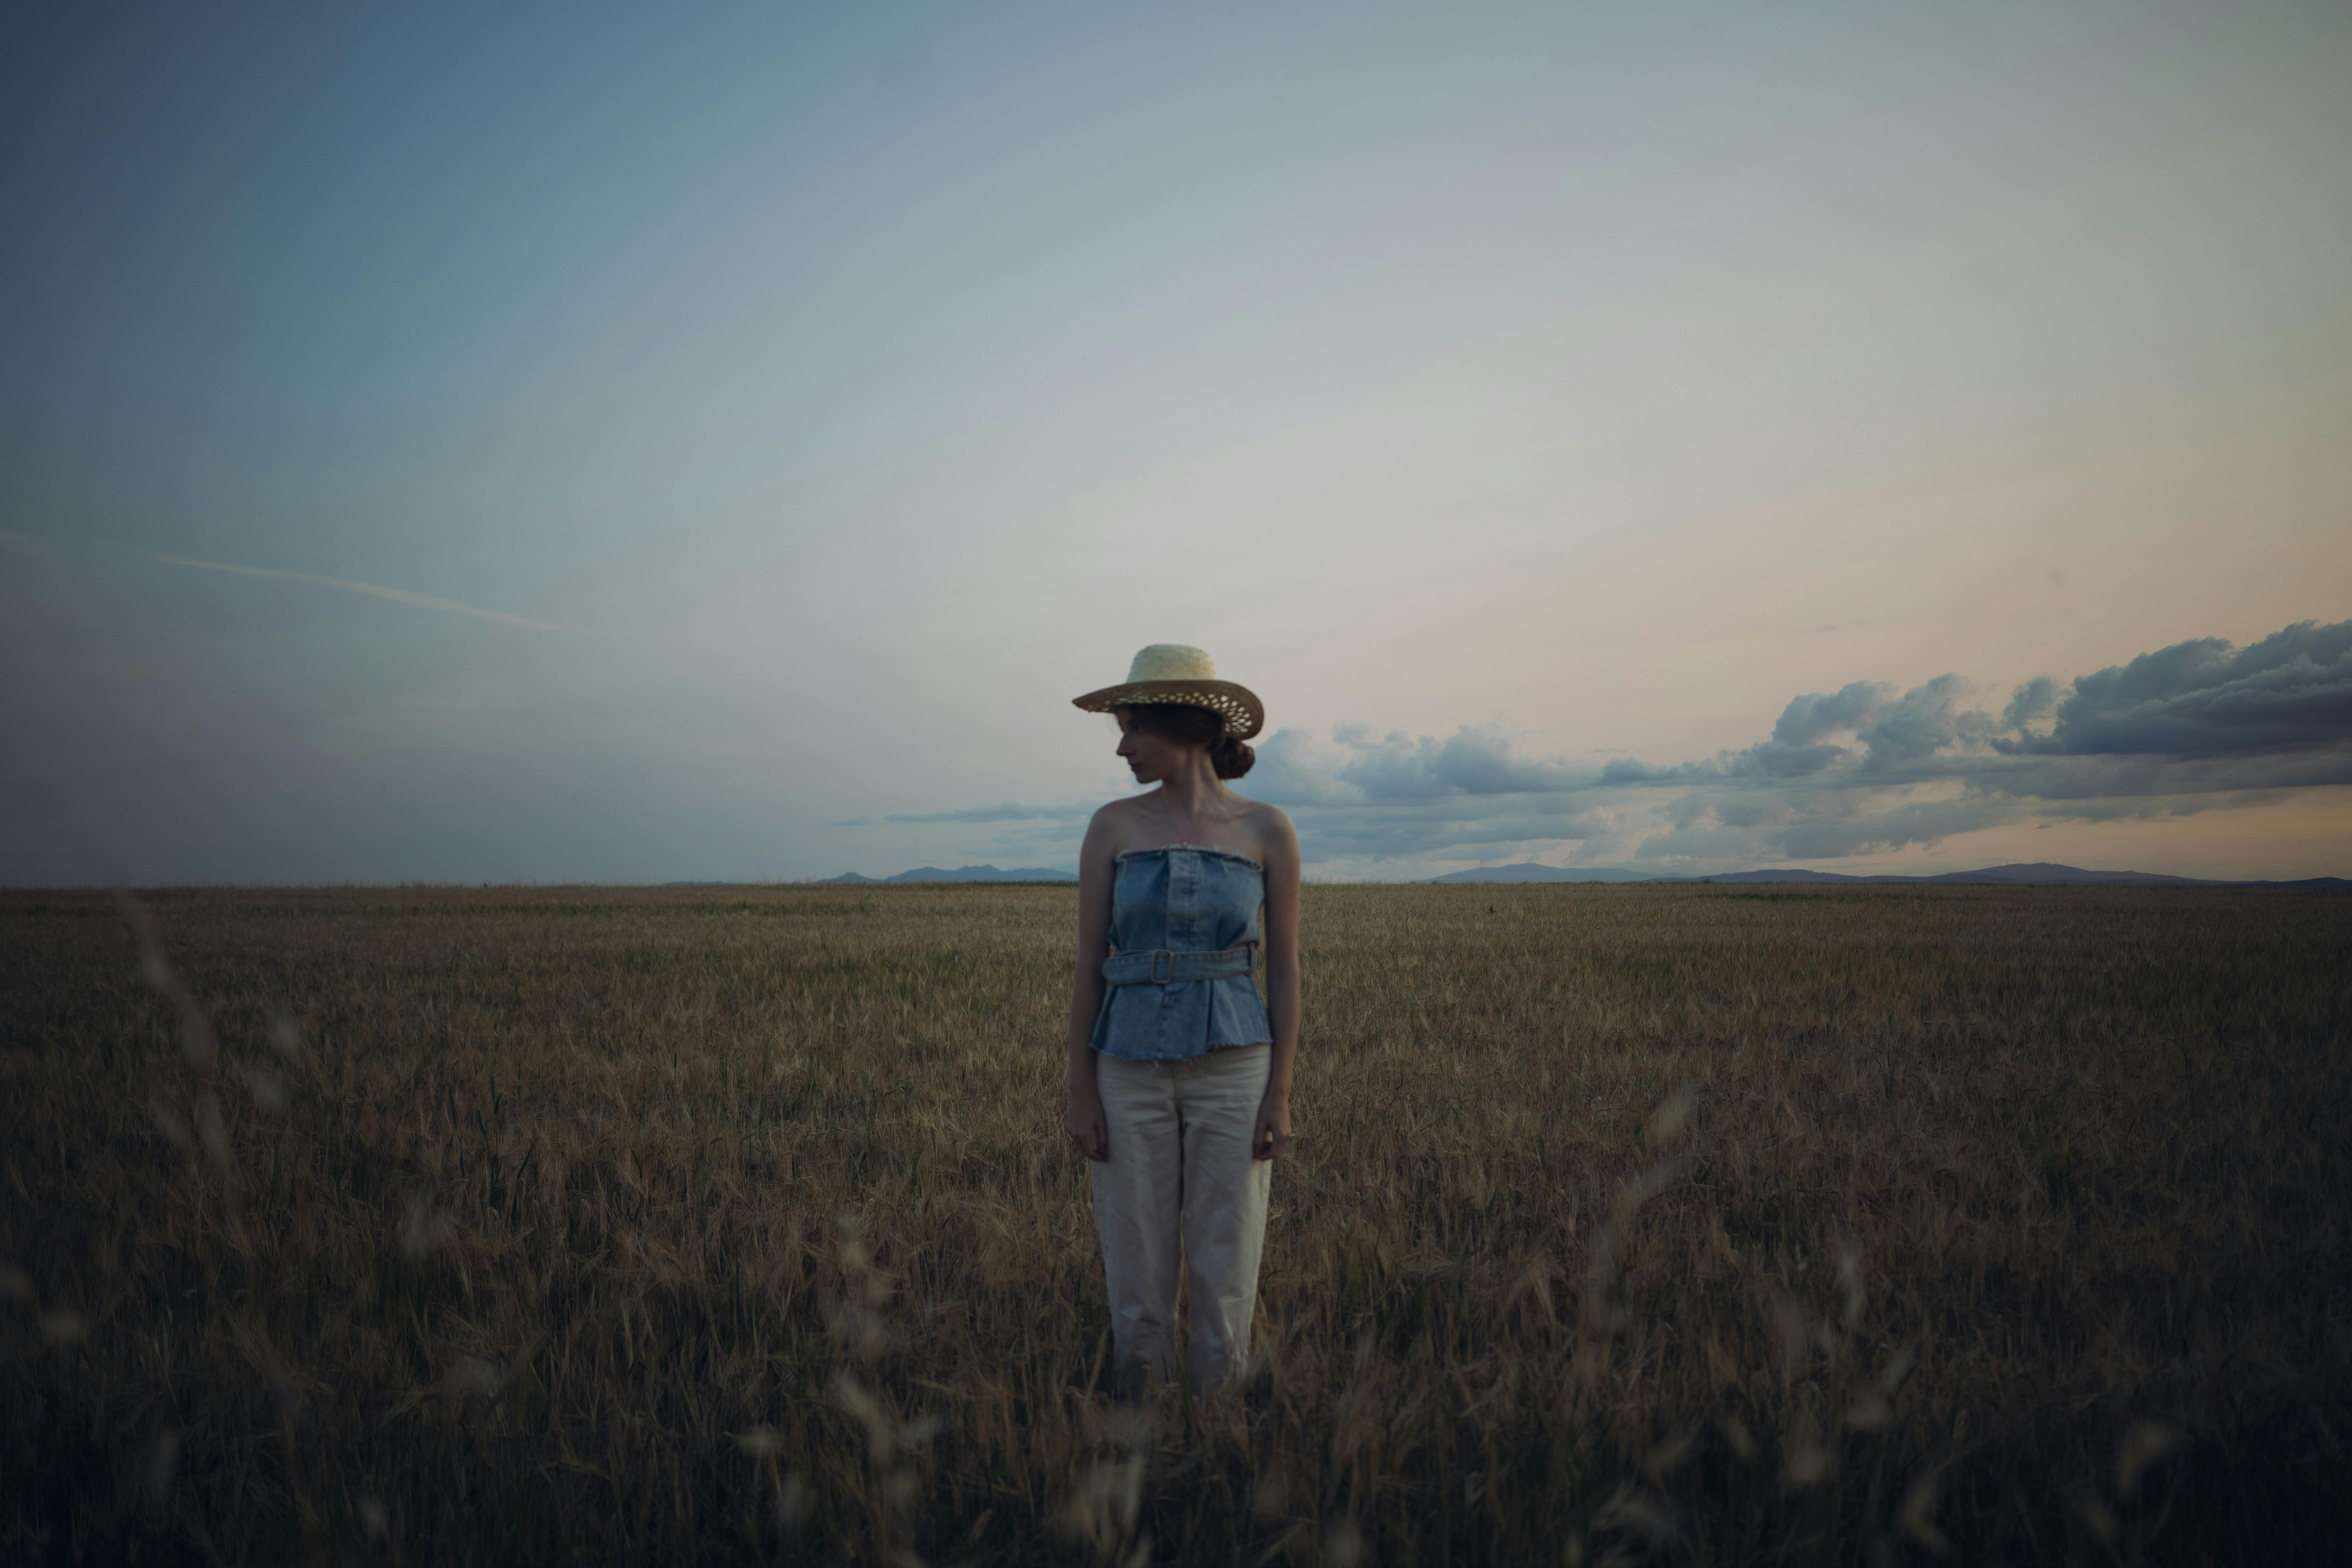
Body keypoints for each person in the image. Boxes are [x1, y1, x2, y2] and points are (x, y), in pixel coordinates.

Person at [1064, 644, 1301, 1397]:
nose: (1122, 747)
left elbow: (1287, 972)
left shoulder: (1268, 829)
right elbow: (1088, 963)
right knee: (1136, 1253)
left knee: (1227, 1253)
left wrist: (1280, 1093)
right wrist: (1080, 1088)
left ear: (1187, 726)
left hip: (1237, 1063)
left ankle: (1218, 1418)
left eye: (1136, 729)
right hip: (1126, 1062)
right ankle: (1142, 1416)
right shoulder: (1111, 827)